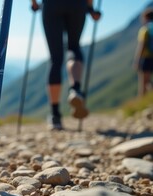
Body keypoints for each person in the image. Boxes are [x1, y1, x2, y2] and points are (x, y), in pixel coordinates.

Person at [31, 0, 101, 130]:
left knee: (56, 59)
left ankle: (55, 115)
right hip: (77, 5)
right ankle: (75, 89)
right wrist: (91, 8)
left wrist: (34, 4)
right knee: (73, 47)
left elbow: (35, 4)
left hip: (51, 5)